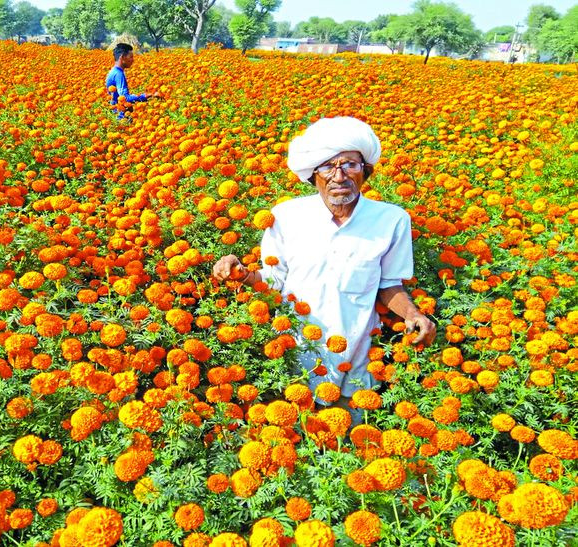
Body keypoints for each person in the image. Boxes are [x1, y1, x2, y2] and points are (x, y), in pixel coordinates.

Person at [212, 116, 436, 424]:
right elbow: (273, 278)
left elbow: (388, 284)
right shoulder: (287, 215)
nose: (339, 175)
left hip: (353, 358)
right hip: (291, 353)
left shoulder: (391, 220)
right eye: (328, 166)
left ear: (365, 172)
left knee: (340, 451)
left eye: (350, 165)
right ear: (313, 175)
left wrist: (413, 314)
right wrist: (241, 273)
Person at [105, 43, 157, 119]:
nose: (133, 60)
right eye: (131, 57)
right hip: (121, 118)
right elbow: (125, 98)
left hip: (116, 114)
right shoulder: (119, 74)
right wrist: (148, 95)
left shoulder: (113, 72)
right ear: (122, 57)